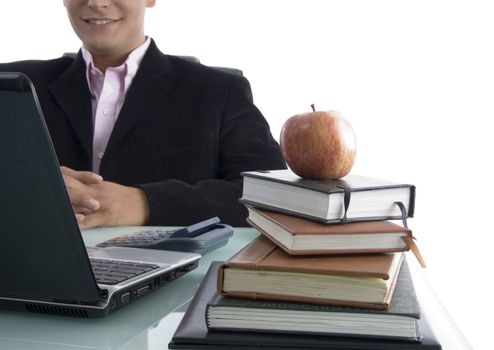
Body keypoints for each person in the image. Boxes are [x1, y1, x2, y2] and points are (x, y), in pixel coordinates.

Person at [0, 0, 286, 229]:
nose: (97, 2)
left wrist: (143, 202)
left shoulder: (218, 90)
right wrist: (31, 183)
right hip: (36, 272)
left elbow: (271, 196)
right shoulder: (14, 84)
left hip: (174, 280)